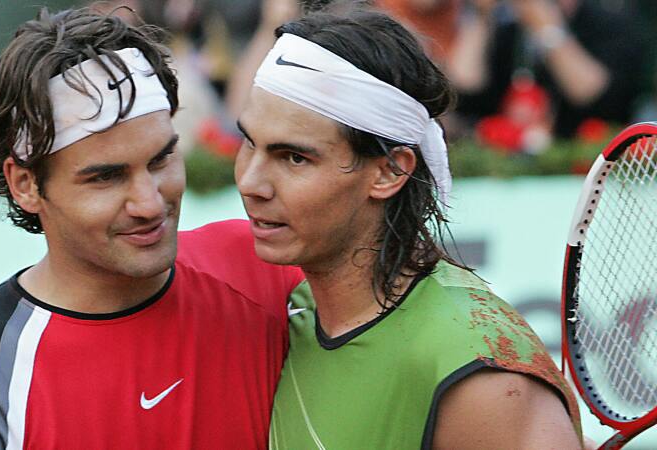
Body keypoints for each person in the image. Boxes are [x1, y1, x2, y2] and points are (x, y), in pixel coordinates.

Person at [0, 8, 303, 449]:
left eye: (161, 159)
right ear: (25, 185)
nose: (149, 202)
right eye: (106, 177)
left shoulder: (265, 267)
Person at [233, 6, 584, 449]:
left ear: (389, 172)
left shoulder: (483, 376)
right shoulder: (284, 314)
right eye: (249, 143)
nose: (250, 182)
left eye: (294, 157)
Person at [448, 0, 648, 138]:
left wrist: (547, 28)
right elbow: (464, 88)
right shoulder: (506, 26)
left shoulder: (608, 19)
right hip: (503, 169)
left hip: (585, 165)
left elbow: (594, 95)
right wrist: (481, 16)